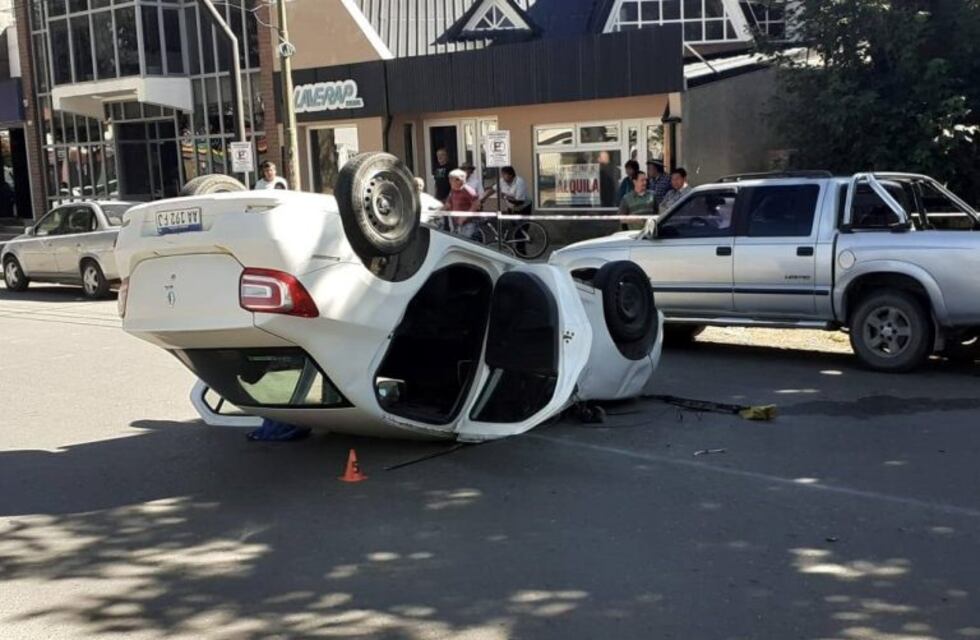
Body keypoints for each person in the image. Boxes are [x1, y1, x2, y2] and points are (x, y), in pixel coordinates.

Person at [444, 168, 480, 238]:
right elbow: (448, 204)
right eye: (449, 179)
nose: (450, 181)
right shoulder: (453, 190)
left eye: (452, 179)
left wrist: (465, 216)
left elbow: (476, 204)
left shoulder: (467, 190)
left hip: (468, 224)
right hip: (456, 224)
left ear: (460, 180)